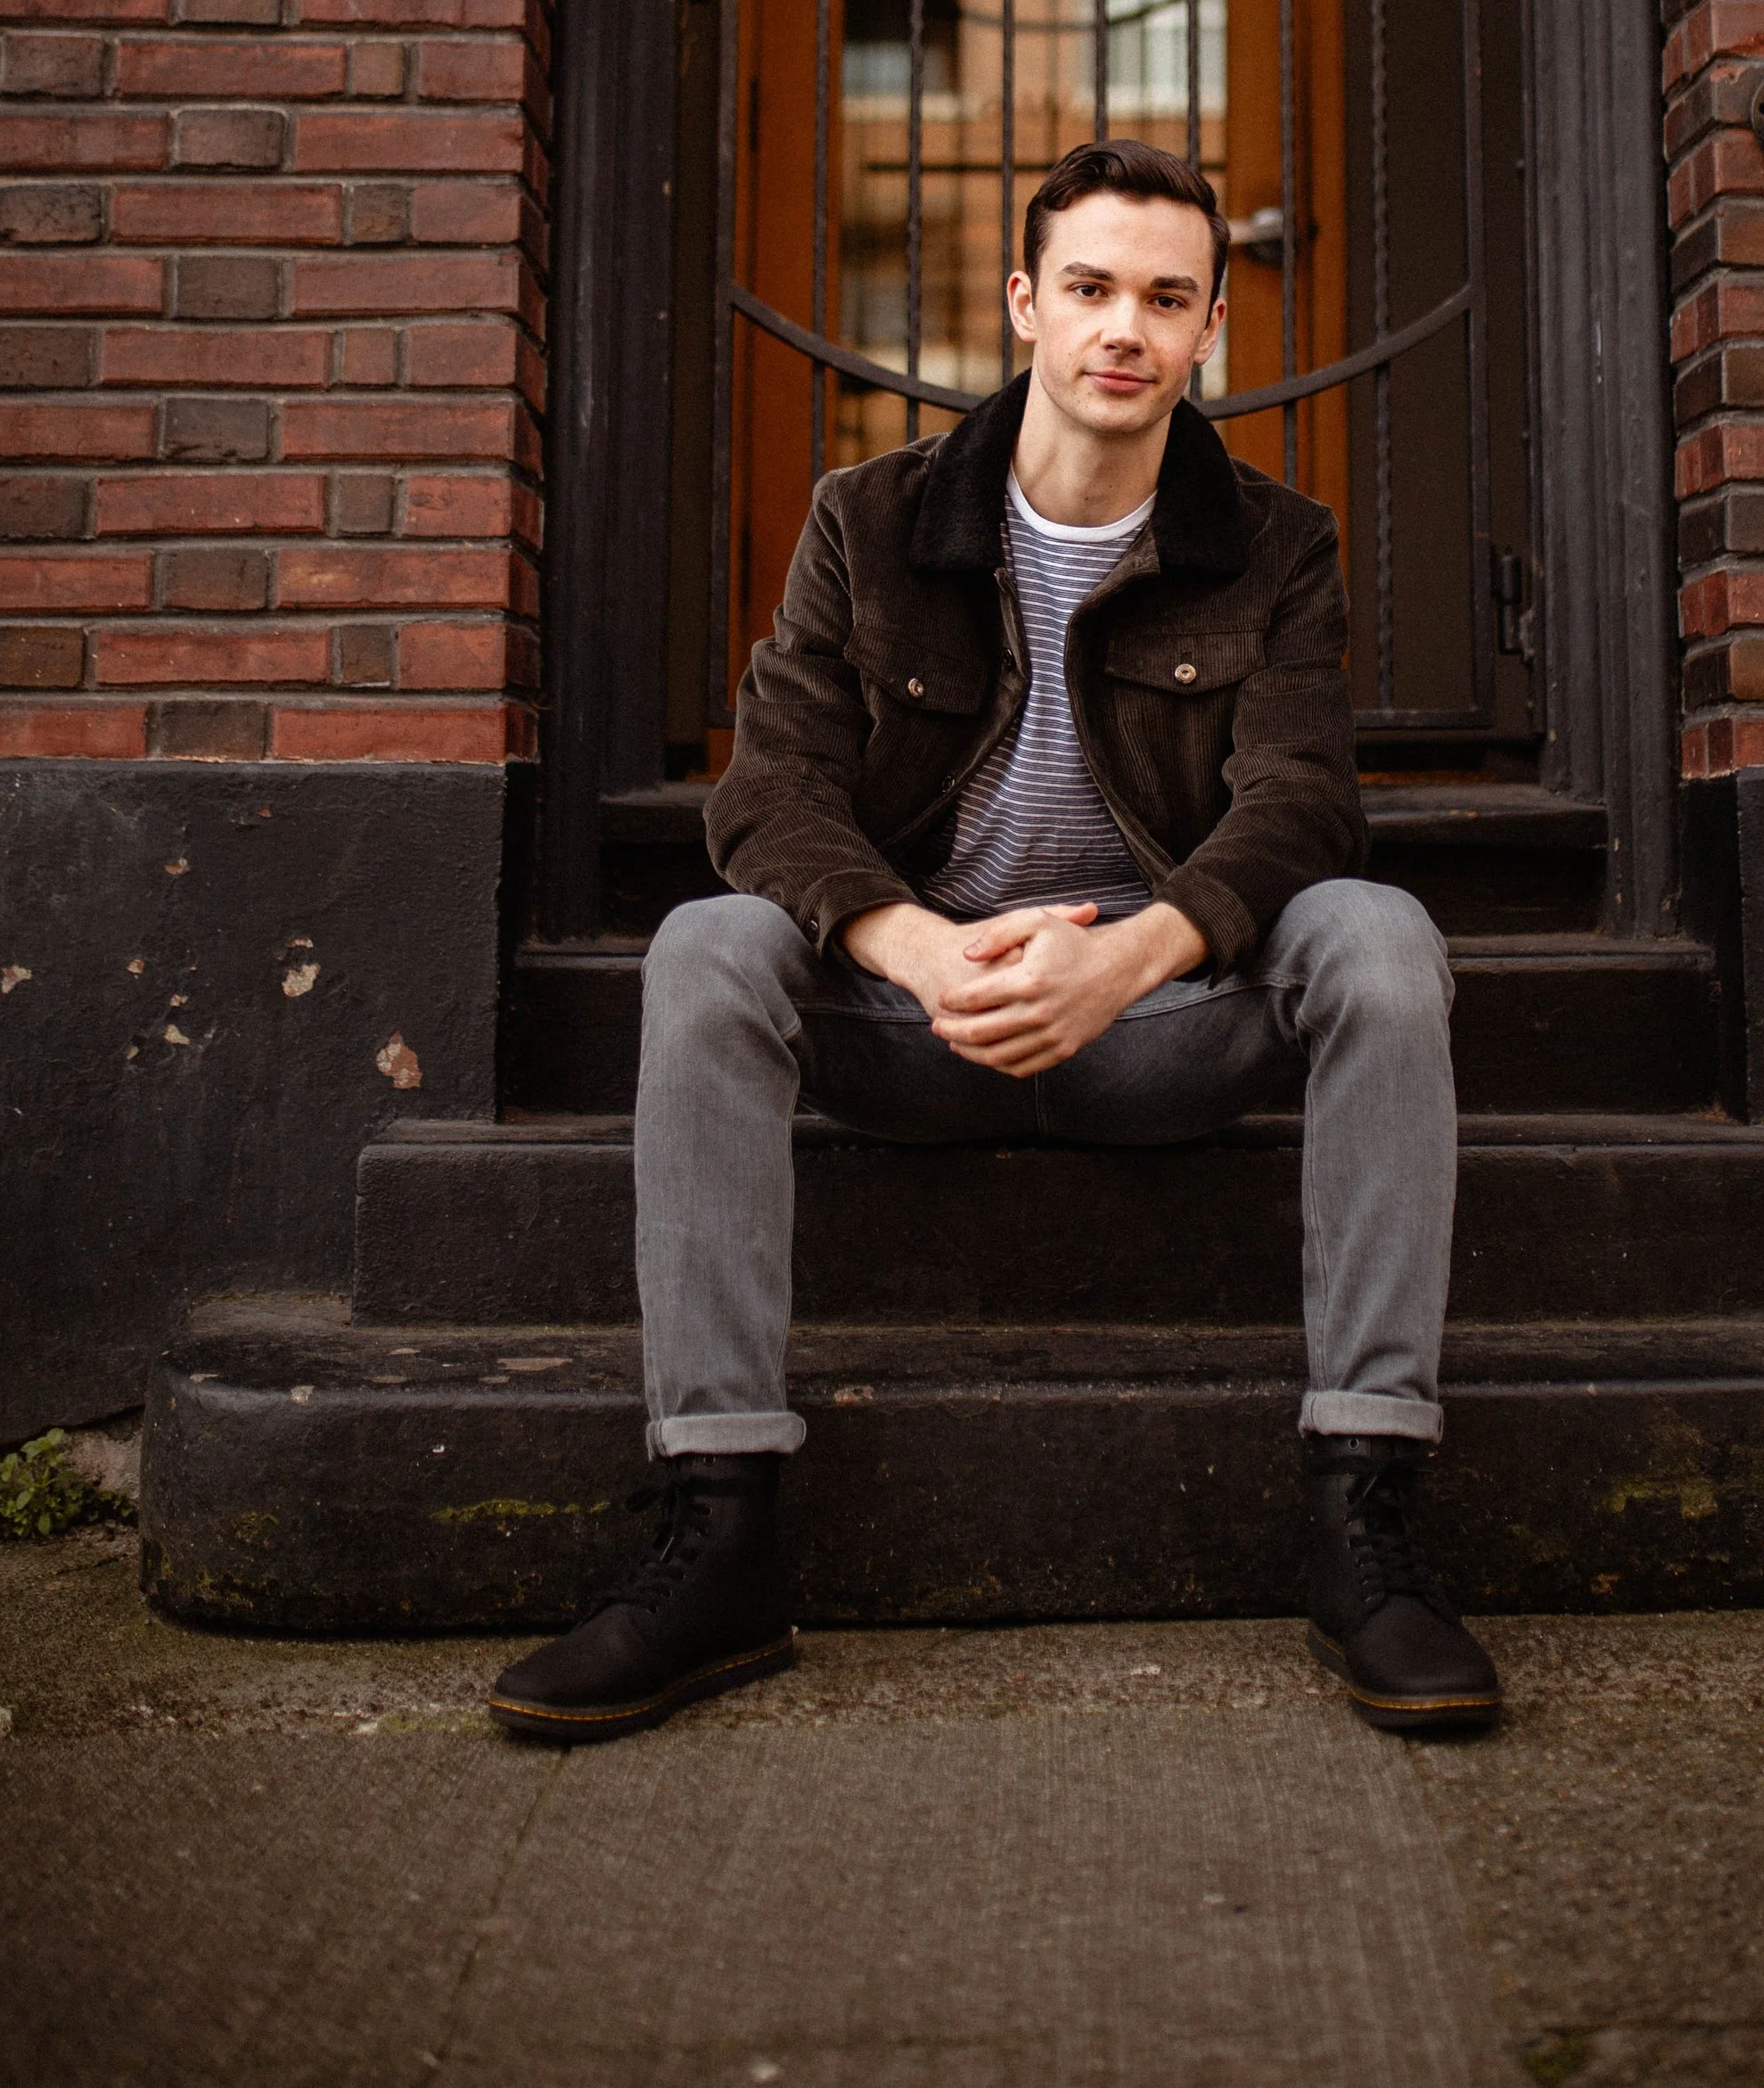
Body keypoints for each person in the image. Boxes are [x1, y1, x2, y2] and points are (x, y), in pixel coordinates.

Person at [488, 138, 1497, 1744]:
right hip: (921, 1033)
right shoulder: (870, 521)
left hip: (1163, 1031)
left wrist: (1137, 954)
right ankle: (718, 1527)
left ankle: (1366, 1517)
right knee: (706, 946)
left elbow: (1302, 809)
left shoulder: (1276, 543)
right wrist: (909, 948)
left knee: (1376, 938)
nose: (1125, 328)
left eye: (1167, 298)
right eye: (1090, 287)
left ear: (1211, 327)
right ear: (1025, 299)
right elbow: (769, 794)